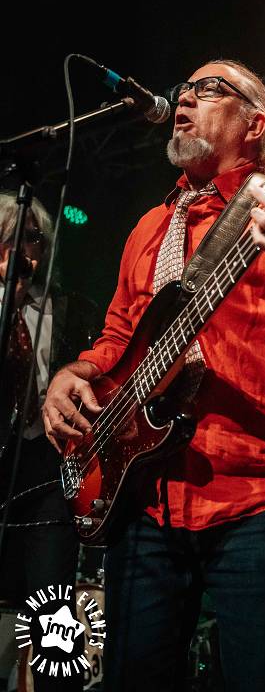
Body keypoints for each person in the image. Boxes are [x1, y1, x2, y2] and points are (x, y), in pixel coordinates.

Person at [43, 59, 265, 692]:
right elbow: (118, 339)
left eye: (209, 90)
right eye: (184, 90)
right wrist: (73, 372)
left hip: (261, 492)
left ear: (255, 124)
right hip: (144, 496)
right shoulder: (148, 227)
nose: (184, 100)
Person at [0, 192, 98, 691]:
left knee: (53, 615)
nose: (18, 252)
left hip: (49, 475)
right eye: (5, 240)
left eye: (30, 239)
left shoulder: (71, 310)